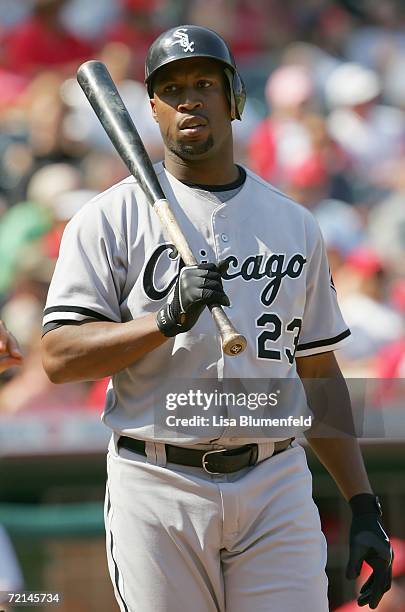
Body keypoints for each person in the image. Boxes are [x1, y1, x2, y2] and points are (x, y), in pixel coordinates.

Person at [41, 25, 393, 612]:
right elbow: (58, 356)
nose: (189, 99)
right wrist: (162, 320)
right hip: (157, 481)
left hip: (274, 478)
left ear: (235, 99)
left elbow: (319, 371)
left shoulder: (294, 224)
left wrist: (362, 503)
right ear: (152, 108)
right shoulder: (106, 219)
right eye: (171, 88)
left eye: (204, 82)